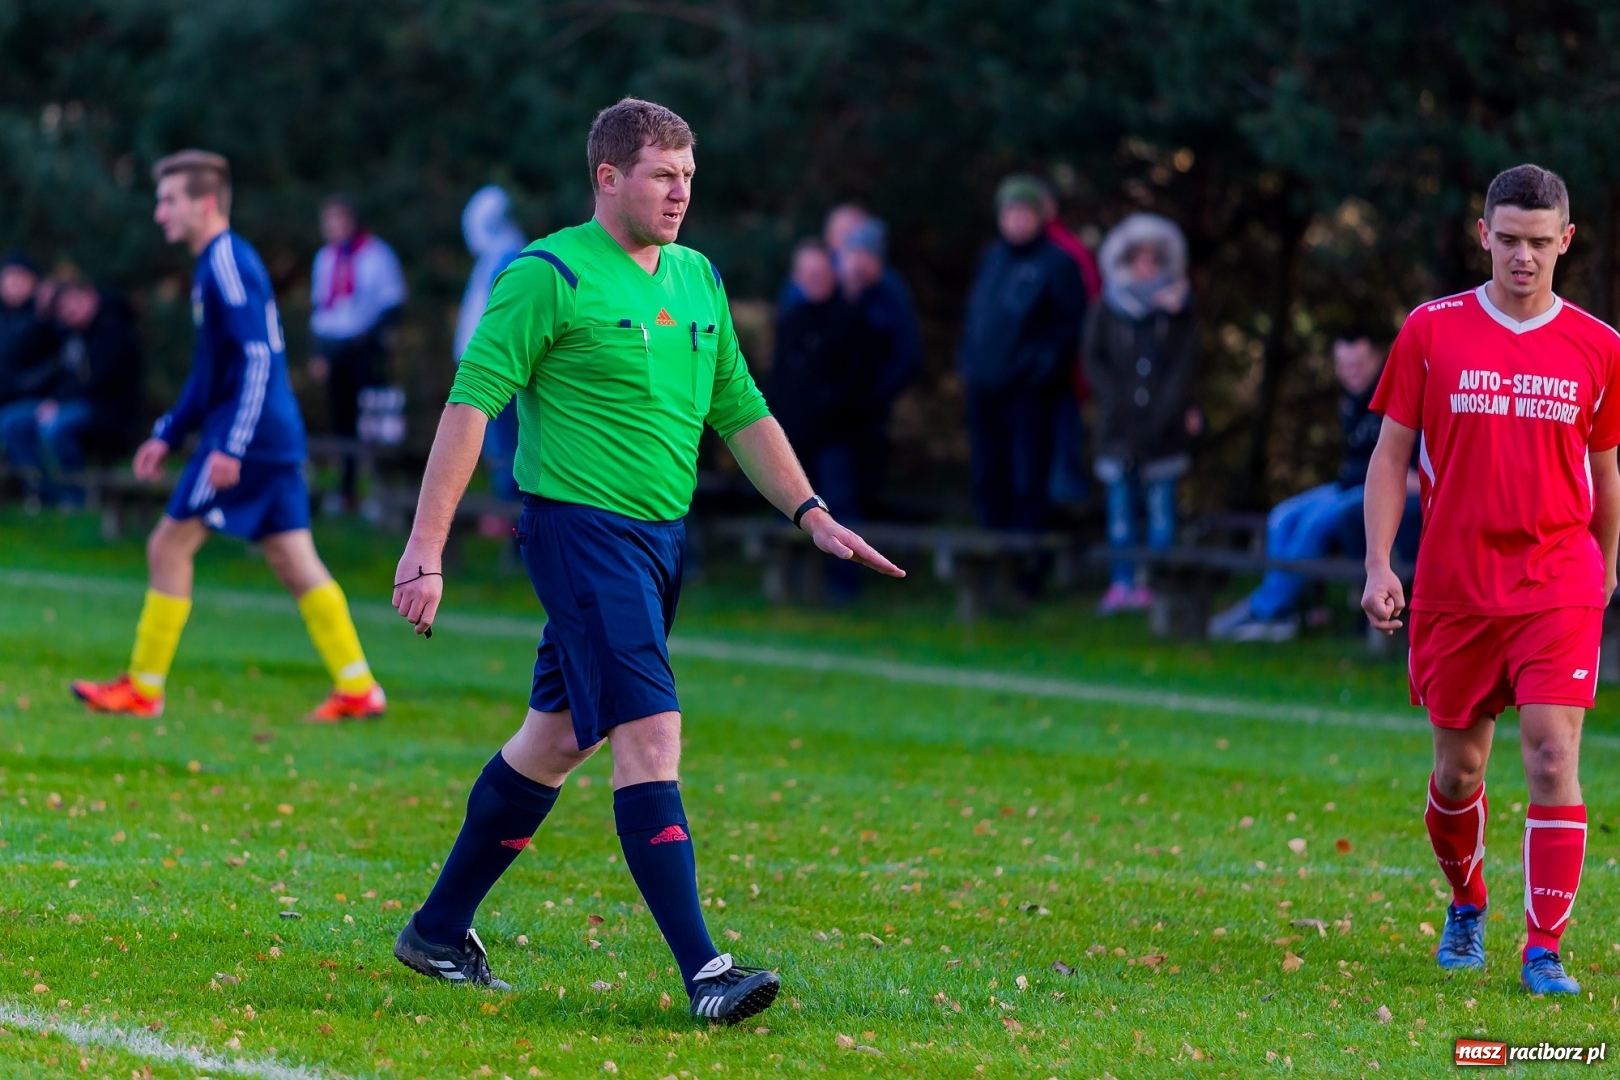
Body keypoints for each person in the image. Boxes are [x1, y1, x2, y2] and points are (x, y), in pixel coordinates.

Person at [387, 99, 903, 1024]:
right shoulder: (546, 274)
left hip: (662, 541)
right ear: (609, 178)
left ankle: (436, 930)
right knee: (650, 734)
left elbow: (740, 409)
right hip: (580, 534)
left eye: (689, 176)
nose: (681, 193)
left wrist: (811, 511)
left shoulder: (699, 278)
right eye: (664, 176)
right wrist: (425, 550)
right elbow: (469, 406)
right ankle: (706, 970)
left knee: (554, 740)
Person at [1362, 164, 1620, 996]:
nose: (1523, 257)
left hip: (1557, 580)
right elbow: (1391, 454)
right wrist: (1378, 564)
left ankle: (1543, 947)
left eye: (1540, 243)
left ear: (1566, 243)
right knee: (1458, 774)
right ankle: (1467, 901)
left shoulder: (1600, 346)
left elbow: (1607, 473)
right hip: (1455, 585)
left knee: (1552, 759)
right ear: (1484, 234)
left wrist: (1605, 571)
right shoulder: (1431, 332)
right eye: (1508, 239)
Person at [70, 150, 386, 722]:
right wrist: (169, 431)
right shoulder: (215, 262)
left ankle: (143, 687)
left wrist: (230, 445)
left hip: (250, 439)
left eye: (169, 200)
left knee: (167, 545)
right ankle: (359, 687)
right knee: (294, 558)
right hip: (269, 435)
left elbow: (260, 357)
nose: (159, 212)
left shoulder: (226, 261)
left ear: (205, 202)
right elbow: (212, 368)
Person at [1208, 330, 1422, 641]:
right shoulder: (1349, 401)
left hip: (1379, 489)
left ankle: (1265, 609)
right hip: (1347, 486)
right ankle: (1281, 611)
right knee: (1282, 517)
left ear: (1377, 359)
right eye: (1344, 366)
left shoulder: (1397, 395)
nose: (1352, 373)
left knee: (1314, 524)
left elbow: (1411, 470)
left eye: (1359, 365)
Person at [1085, 212, 1200, 614]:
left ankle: (1158, 585)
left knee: (1160, 511)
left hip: (1164, 430)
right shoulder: (1108, 307)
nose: (1146, 267)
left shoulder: (1178, 310)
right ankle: (1122, 583)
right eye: (1138, 258)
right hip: (1117, 429)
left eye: (1154, 259)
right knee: (1119, 511)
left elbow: (1185, 365)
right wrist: (1116, 399)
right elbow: (1093, 359)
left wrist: (1164, 412)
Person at [958, 175, 1086, 536]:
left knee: (1028, 478)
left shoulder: (1057, 264)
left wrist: (1036, 374)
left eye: (1024, 212)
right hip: (984, 390)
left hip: (1029, 396)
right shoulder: (991, 258)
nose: (1016, 220)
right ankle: (992, 556)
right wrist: (969, 364)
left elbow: (1068, 329)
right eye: (1009, 212)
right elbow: (976, 318)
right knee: (987, 474)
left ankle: (1026, 570)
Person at [0, 279, 142, 507]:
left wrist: (59, 402)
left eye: (73, 304)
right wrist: (55, 400)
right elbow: (59, 373)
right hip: (69, 403)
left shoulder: (114, 330)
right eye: (63, 309)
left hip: (107, 410)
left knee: (55, 425)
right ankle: (42, 492)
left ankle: (75, 496)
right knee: (10, 421)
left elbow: (98, 381)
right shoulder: (72, 336)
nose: (69, 312)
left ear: (90, 296)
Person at [308, 193, 406, 506]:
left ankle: (381, 491)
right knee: (342, 420)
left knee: (375, 419)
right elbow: (321, 309)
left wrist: (367, 340)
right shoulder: (325, 259)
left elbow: (392, 305)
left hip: (366, 347)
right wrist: (319, 352)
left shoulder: (377, 255)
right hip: (336, 349)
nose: (333, 227)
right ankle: (346, 488)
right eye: (329, 220)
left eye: (339, 219)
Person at [455, 185, 528, 505]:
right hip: (484, 367)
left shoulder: (508, 255)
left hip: (496, 371)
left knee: (505, 448)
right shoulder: (495, 253)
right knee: (496, 448)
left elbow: (501, 319)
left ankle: (513, 522)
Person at [0, 252, 47, 407]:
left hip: (28, 398)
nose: (13, 283)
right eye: (9, 277)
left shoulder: (43, 316)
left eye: (21, 277)